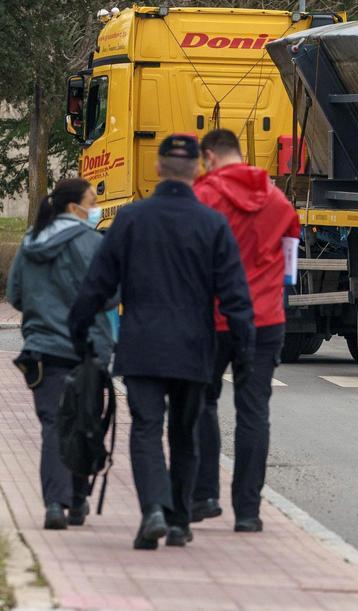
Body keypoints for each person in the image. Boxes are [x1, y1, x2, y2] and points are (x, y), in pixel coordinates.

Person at [69, 134, 255, 550]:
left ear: (157, 169)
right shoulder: (212, 224)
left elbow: (98, 282)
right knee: (184, 434)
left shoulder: (132, 219)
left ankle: (152, 508)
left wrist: (78, 329)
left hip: (142, 346)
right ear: (197, 170)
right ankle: (177, 521)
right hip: (194, 349)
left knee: (147, 430)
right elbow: (235, 294)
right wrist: (244, 348)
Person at [192, 128, 299, 532]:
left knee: (202, 403)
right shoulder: (279, 201)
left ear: (210, 157)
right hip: (266, 320)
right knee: (254, 412)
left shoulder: (204, 197)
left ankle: (204, 495)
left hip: (214, 319)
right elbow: (290, 267)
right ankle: (249, 512)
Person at [6, 178, 113, 530]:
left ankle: (55, 503)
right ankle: (79, 500)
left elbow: (16, 296)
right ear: (74, 207)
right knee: (85, 422)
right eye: (92, 200)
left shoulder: (29, 243)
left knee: (54, 424)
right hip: (87, 349)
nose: (95, 206)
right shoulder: (93, 243)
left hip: (42, 350)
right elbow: (111, 296)